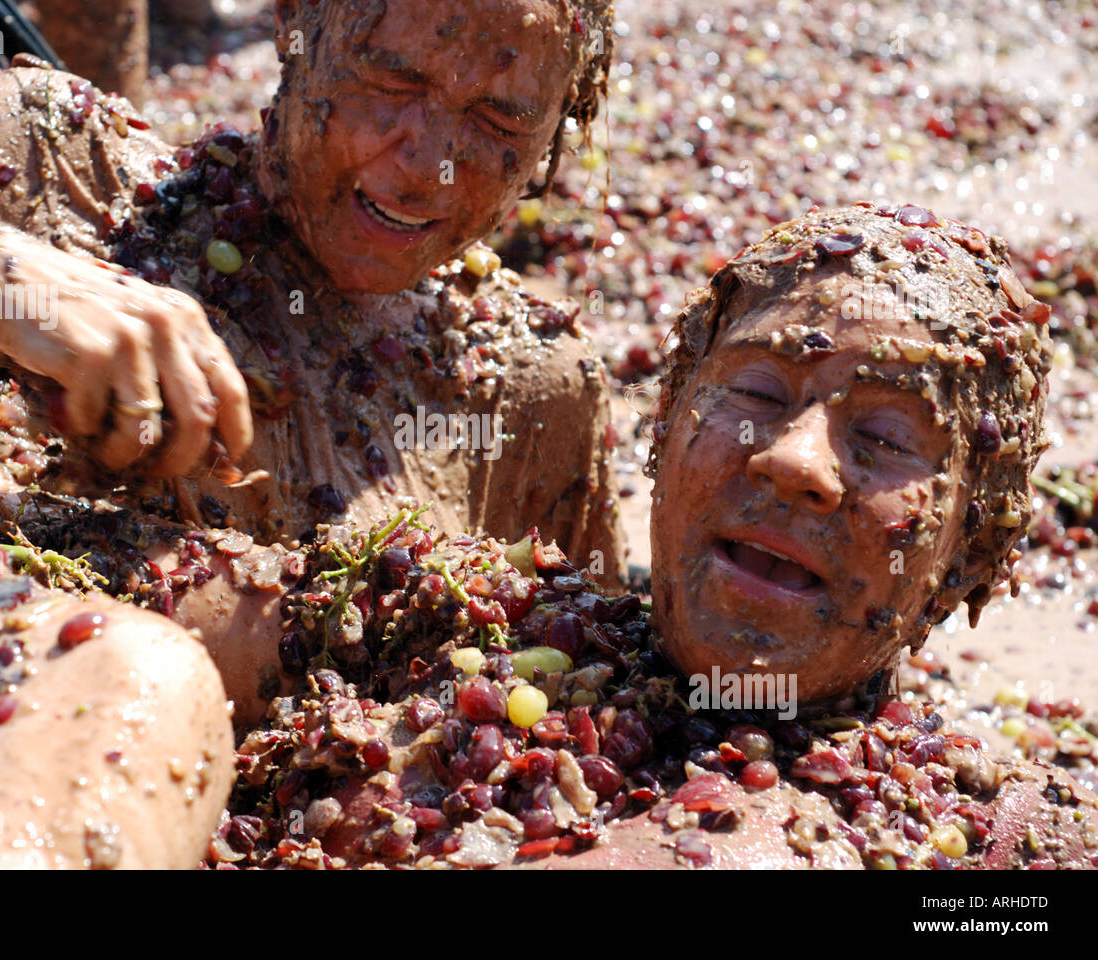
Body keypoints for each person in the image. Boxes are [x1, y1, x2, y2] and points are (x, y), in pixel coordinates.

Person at [0, 0, 623, 867]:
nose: (426, 165)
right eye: (393, 80)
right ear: (295, 22)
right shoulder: (45, 156)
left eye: (498, 121)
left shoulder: (535, 387)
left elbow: (595, 706)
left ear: (552, 141)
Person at [217, 204, 1098, 870]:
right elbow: (121, 611)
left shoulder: (1004, 850)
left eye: (886, 441)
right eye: (756, 394)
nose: (795, 462)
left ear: (972, 555)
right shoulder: (450, 617)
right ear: (668, 421)